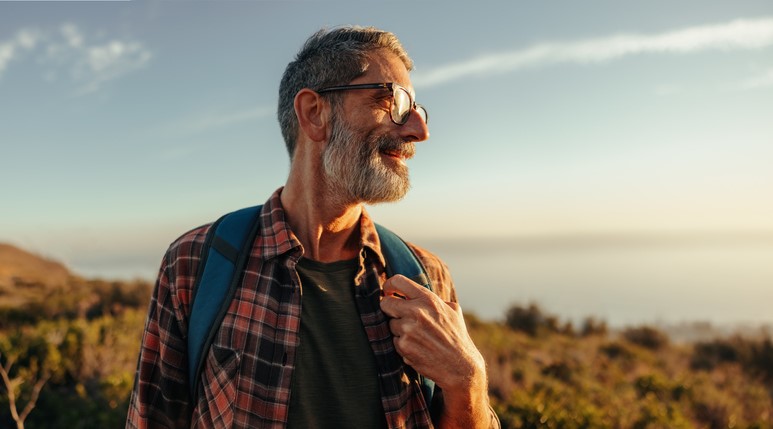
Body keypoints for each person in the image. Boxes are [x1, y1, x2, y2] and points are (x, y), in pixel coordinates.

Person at [126, 26, 499, 429]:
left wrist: (469, 383)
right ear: (314, 113)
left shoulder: (426, 278)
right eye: (394, 101)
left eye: (417, 111)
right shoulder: (195, 263)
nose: (418, 131)